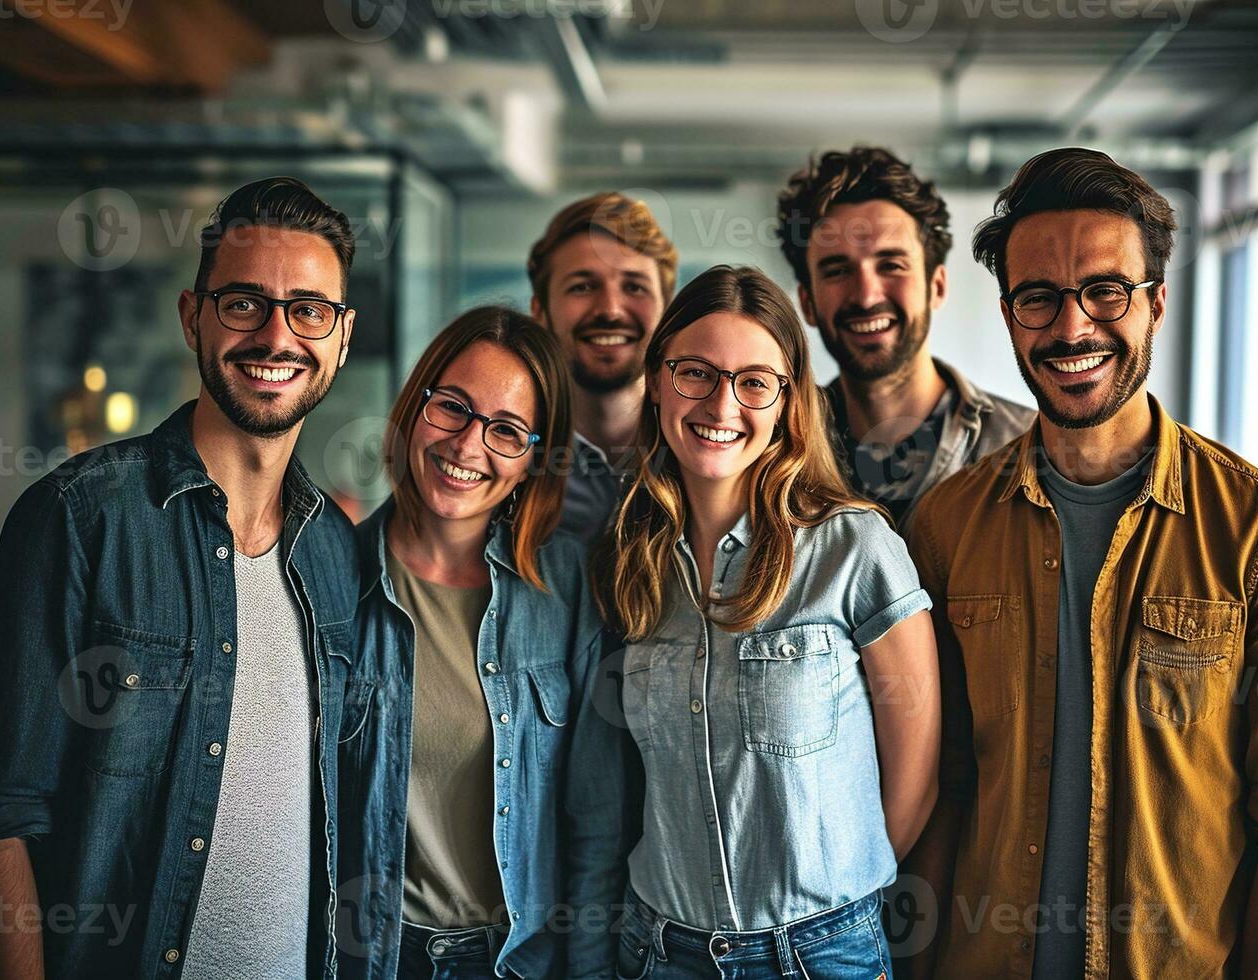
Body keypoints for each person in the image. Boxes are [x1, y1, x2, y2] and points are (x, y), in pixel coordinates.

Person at [904, 148, 1258, 978]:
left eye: (1106, 290)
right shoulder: (946, 524)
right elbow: (944, 788)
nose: (1072, 327)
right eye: (1038, 297)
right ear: (1008, 316)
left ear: (1157, 305)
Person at [0, 176, 363, 978]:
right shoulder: (79, 519)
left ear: (342, 337)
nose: (276, 335)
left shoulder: (337, 553)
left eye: (308, 309)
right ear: (193, 317)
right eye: (243, 303)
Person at [594, 264, 941, 979]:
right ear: (657, 380)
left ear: (787, 403)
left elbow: (916, 775)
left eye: (754, 381)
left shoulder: (854, 547)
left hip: (819, 954)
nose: (723, 404)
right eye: (695, 372)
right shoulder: (631, 558)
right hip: (657, 949)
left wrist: (831, 906)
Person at [336, 307, 628, 980]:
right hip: (369, 958)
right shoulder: (333, 577)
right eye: (453, 409)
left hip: (514, 961)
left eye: (504, 430)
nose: (468, 447)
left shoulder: (566, 587)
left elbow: (597, 825)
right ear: (416, 409)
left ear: (532, 459)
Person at [777, 145, 1034, 529]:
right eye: (836, 270)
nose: (866, 295)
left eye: (891, 265)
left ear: (937, 286)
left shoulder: (1028, 451)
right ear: (807, 302)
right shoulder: (776, 455)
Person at [527, 192, 678, 538]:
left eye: (634, 287)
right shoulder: (504, 457)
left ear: (667, 310)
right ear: (540, 311)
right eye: (582, 286)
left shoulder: (711, 450)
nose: (610, 309)